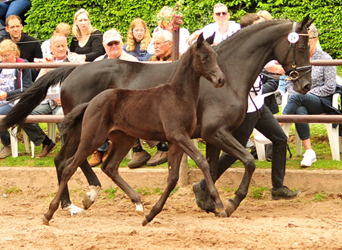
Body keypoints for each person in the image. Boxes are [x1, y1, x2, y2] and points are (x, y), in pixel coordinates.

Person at [192, 14, 300, 213]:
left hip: (259, 106)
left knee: (279, 138)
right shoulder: (241, 50)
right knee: (236, 151)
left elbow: (272, 66)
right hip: (246, 110)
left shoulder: (259, 50)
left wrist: (287, 68)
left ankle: (278, 187)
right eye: (258, 26)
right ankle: (203, 186)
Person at [282, 24, 337, 168]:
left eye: (308, 39)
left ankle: (278, 124)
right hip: (300, 101)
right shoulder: (297, 59)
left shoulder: (326, 58)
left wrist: (305, 93)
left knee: (298, 98)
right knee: (299, 109)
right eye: (301, 39)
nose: (304, 43)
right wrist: (297, 94)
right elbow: (289, 82)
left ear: (316, 39)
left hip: (320, 101)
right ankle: (309, 152)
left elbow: (330, 87)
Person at [21, 34, 84, 158]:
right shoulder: (48, 61)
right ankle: (46, 143)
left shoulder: (75, 62)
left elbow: (82, 85)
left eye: (63, 46)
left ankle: (66, 151)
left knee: (62, 117)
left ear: (67, 46)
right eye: (58, 46)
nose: (61, 49)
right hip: (47, 102)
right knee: (23, 115)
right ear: (51, 47)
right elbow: (38, 86)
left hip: (67, 102)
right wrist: (45, 66)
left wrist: (67, 98)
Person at [88, 29, 139, 167]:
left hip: (126, 102)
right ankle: (99, 149)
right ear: (104, 46)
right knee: (96, 112)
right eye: (110, 44)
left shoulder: (132, 61)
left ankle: (104, 148)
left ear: (121, 43)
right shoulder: (97, 62)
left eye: (116, 43)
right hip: (103, 102)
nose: (114, 46)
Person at [0, 39, 31, 158]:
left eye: (6, 55)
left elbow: (27, 89)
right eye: (1, 55)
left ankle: (8, 144)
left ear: (14, 53)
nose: (3, 58)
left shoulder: (23, 65)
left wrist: (7, 95)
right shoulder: (1, 65)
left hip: (14, 101)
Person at [2, 15, 42, 80]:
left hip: (28, 76)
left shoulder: (33, 42)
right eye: (12, 27)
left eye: (17, 26)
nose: (15, 29)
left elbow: (37, 69)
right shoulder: (1, 42)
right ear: (7, 29)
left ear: (21, 27)